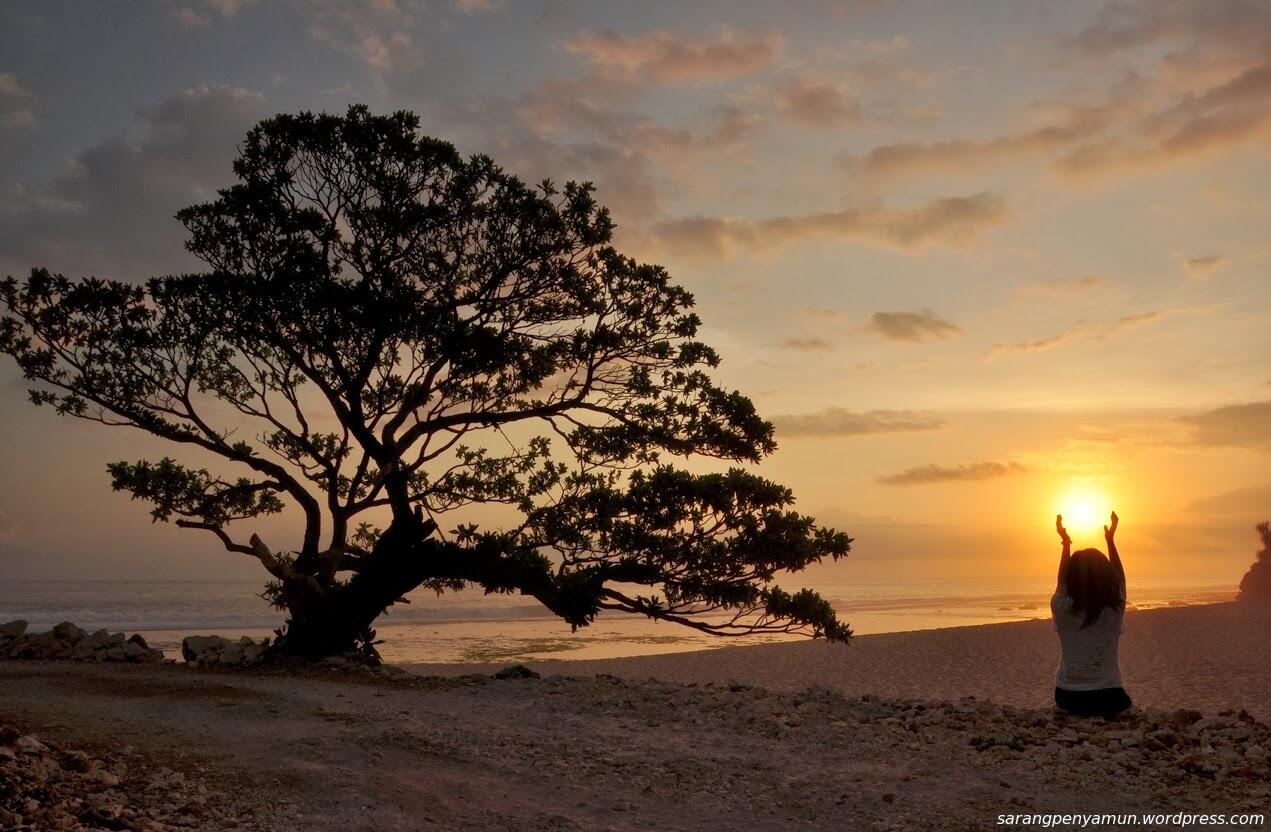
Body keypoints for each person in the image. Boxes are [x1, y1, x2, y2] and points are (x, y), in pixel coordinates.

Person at [1051, 511, 1132, 718]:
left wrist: (1066, 543)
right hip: (1109, 697)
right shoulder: (1114, 609)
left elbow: (1061, 583)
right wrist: (1110, 541)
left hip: (1067, 696)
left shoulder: (1060, 607)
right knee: (1123, 704)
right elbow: (1120, 581)